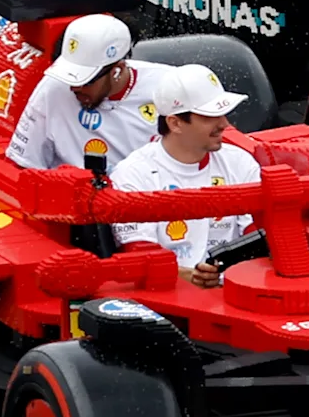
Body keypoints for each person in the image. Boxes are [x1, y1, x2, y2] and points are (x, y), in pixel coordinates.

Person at [106, 66, 260, 286]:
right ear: (175, 123)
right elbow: (139, 254)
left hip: (239, 290)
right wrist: (189, 277)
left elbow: (258, 234)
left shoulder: (240, 162)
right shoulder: (132, 174)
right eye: (209, 116)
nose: (224, 124)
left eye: (223, 114)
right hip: (168, 299)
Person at [5, 14, 192, 177]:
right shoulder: (54, 87)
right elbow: (25, 165)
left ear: (116, 70)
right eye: (70, 77)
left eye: (85, 81)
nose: (74, 88)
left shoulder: (173, 86)